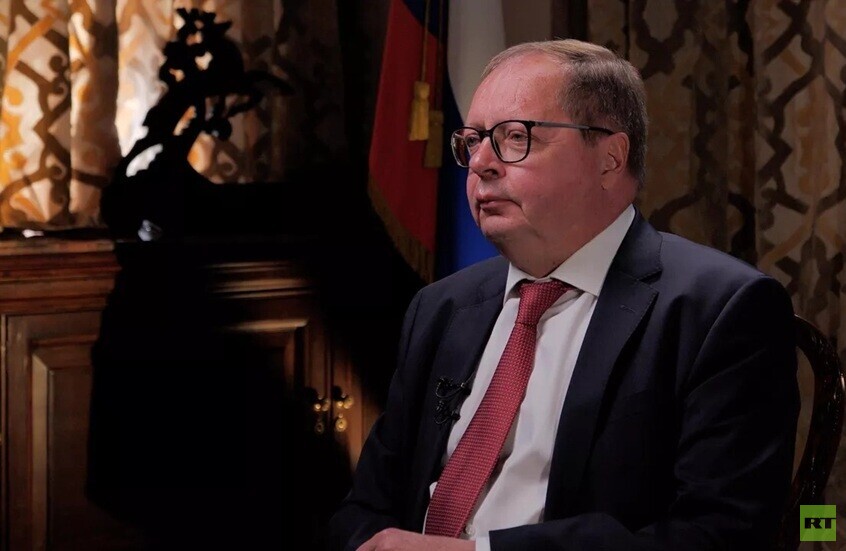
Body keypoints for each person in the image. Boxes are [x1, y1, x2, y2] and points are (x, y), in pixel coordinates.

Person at [329, 39, 799, 550]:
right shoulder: (442, 307)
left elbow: (719, 532)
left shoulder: (720, 309)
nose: (480, 162)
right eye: (474, 140)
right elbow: (365, 506)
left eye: (515, 137)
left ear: (610, 158)